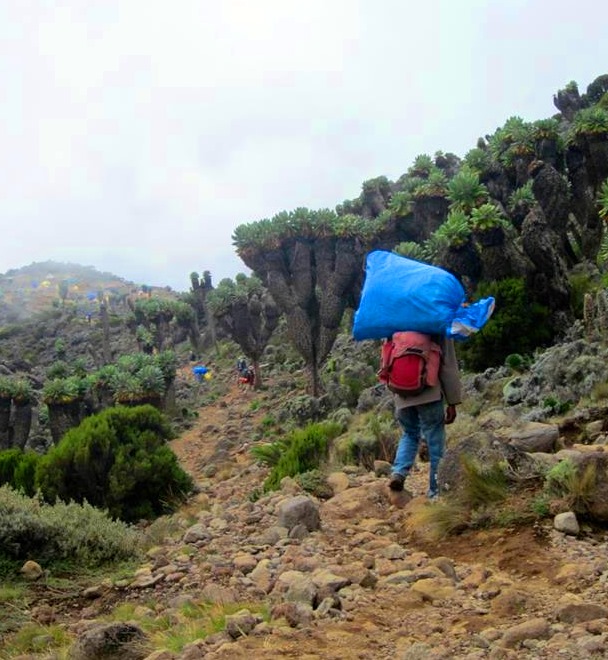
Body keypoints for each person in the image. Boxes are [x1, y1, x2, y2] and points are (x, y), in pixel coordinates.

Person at [388, 335, 462, 499]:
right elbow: (448, 366)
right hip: (429, 393)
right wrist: (453, 402)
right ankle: (435, 491)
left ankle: (399, 472)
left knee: (409, 434)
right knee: (436, 443)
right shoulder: (436, 323)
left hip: (401, 393)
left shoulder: (397, 322)